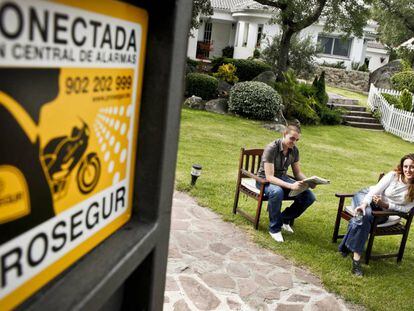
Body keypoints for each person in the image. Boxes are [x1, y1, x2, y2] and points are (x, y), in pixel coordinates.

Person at [339, 154, 414, 276]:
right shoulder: (393, 176)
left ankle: (346, 246)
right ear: (402, 166)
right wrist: (364, 204)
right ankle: (356, 261)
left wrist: (386, 205)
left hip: (382, 210)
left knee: (361, 219)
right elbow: (374, 191)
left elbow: (406, 209)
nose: (408, 170)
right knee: (365, 214)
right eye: (405, 166)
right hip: (365, 196)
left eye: (412, 167)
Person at [256, 124, 316, 243]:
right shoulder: (271, 148)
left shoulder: (294, 150)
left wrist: (309, 182)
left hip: (282, 178)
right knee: (277, 192)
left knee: (309, 196)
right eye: (292, 138)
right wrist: (290, 186)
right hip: (265, 182)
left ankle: (284, 219)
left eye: (296, 140)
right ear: (284, 134)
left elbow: (297, 173)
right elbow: (269, 177)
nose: (294, 142)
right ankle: (274, 229)